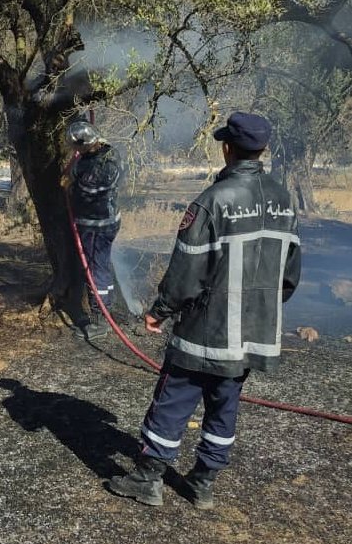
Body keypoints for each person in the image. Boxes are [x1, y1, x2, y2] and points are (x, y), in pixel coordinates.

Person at [108, 111, 301, 508]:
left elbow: (186, 270)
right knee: (225, 404)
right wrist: (262, 311)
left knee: (174, 397)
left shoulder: (212, 202)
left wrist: (159, 310)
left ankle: (148, 478)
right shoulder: (284, 199)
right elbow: (290, 274)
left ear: (228, 148)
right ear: (262, 150)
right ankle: (203, 484)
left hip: (205, 330)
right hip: (251, 334)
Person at [66, 120, 122, 340]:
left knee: (95, 271)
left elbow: (86, 192)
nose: (75, 151)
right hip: (109, 221)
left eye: (77, 147)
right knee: (102, 266)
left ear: (84, 144)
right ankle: (107, 306)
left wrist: (70, 185)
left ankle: (100, 321)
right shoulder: (110, 153)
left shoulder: (92, 168)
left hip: (95, 227)